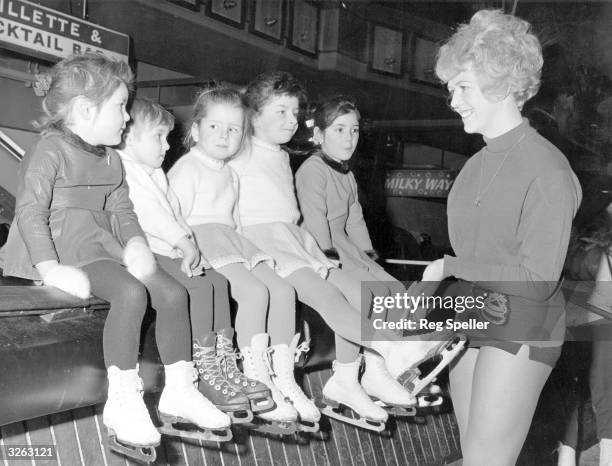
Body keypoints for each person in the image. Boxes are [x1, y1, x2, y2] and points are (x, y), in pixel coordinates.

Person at [1, 53, 231, 462]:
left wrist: (137, 244)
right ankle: (123, 400)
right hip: (63, 245)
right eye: (120, 107)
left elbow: (123, 211)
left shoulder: (111, 158)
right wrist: (49, 267)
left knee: (175, 295)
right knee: (129, 293)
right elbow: (30, 210)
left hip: (101, 243)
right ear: (85, 110)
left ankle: (180, 390)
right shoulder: (50, 149)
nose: (126, 118)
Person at [231, 71, 464, 431]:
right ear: (254, 115)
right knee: (341, 296)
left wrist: (368, 256)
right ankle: (385, 354)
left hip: (293, 244)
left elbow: (351, 217)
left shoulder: (281, 156)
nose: (291, 120)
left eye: (295, 113)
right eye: (281, 112)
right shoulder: (247, 154)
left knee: (369, 294)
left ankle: (367, 370)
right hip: (270, 246)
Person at [426, 10, 582, 465]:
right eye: (450, 88)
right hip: (473, 312)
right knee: (477, 457)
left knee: (485, 460)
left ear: (503, 85)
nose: (453, 101)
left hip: (526, 320)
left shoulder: (548, 170)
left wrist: (452, 268)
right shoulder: (473, 166)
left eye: (464, 87)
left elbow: (537, 279)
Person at [168, 86, 319, 433]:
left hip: (231, 240)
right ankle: (257, 378)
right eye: (214, 127)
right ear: (195, 131)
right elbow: (172, 219)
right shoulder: (187, 169)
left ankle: (284, 378)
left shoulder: (231, 174)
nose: (224, 136)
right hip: (201, 241)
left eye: (233, 129)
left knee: (282, 291)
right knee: (253, 293)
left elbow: (233, 219)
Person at [117, 97, 262, 425]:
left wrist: (187, 245)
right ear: (129, 137)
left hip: (170, 246)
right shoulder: (130, 170)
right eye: (159, 137)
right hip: (146, 249)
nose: (167, 145)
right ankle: (204, 371)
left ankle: (224, 365)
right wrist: (183, 243)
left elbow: (174, 213)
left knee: (218, 282)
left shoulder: (156, 172)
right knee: (194, 290)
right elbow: (151, 214)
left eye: (167, 137)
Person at [295, 95, 444, 411]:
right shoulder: (313, 169)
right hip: (321, 246)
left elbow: (354, 217)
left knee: (393, 291)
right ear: (319, 135)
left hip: (347, 246)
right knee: (364, 296)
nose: (349, 138)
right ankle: (348, 376)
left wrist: (367, 253)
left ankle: (381, 369)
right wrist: (327, 254)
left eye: (354, 130)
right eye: (339, 130)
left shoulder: (346, 174)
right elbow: (314, 216)